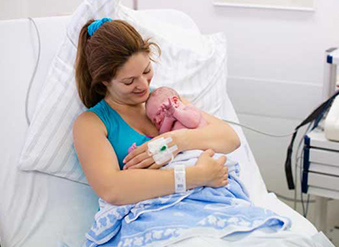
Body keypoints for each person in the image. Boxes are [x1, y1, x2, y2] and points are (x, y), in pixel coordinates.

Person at [72, 18, 241, 206]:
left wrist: (174, 142)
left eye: (146, 71)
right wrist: (196, 176)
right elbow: (111, 189)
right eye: (129, 81)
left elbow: (230, 139)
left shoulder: (163, 98)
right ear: (104, 80)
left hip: (209, 199)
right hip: (156, 212)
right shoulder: (91, 124)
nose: (143, 85)